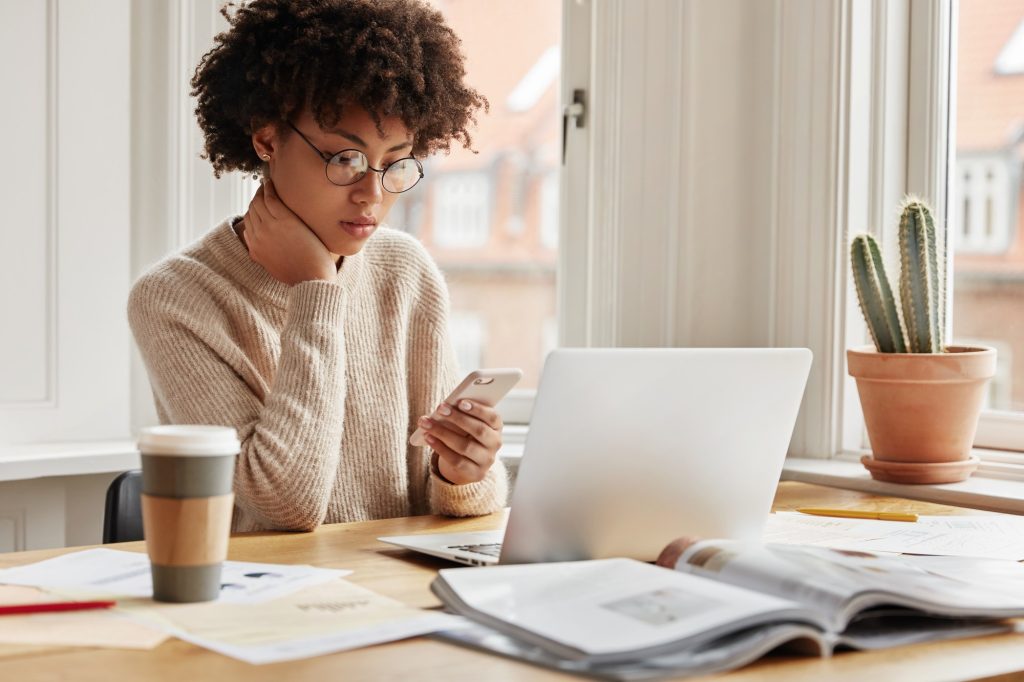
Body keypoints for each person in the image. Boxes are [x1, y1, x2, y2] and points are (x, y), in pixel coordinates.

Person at [128, 0, 508, 532]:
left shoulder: (405, 272)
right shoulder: (176, 297)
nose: (371, 194)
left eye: (395, 161)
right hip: (266, 606)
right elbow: (285, 505)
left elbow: (446, 503)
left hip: (395, 597)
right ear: (266, 138)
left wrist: (463, 472)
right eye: (344, 159)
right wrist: (316, 290)